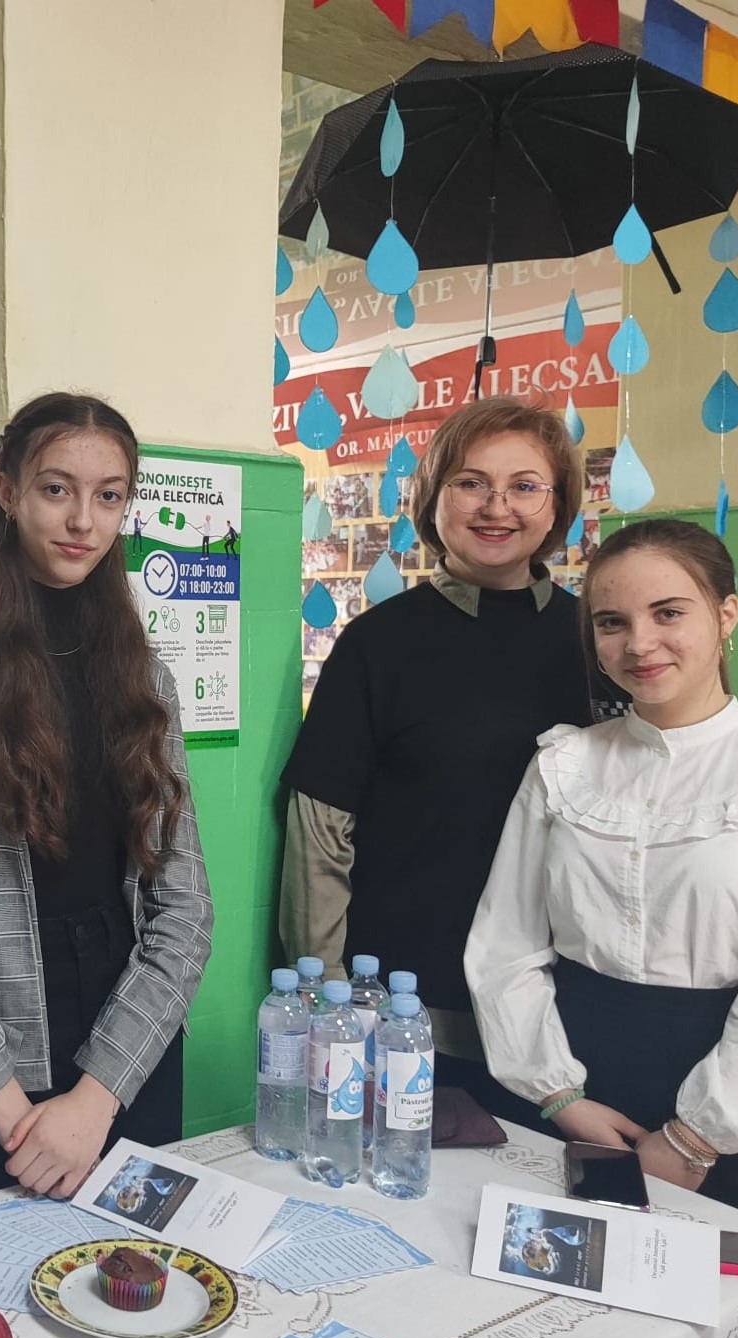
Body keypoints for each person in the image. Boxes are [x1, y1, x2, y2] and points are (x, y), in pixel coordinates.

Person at [465, 519, 738, 1236]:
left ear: (725, 614)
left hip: (724, 1105)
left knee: (716, 1295)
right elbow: (505, 944)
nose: (639, 644)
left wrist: (696, 1137)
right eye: (612, 623)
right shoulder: (561, 767)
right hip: (570, 1085)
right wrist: (558, 1095)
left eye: (668, 613)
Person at [0, 392, 213, 1199]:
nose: (82, 520)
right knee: (18, 1263)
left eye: (108, 495)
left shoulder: (145, 677)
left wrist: (97, 1097)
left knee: (137, 1259)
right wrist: (12, 1108)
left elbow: (185, 910)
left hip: (132, 1023)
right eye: (56, 489)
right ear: (8, 491)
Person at [280, 397, 618, 1126]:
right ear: (433, 498)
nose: (496, 507)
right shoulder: (377, 646)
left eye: (524, 486)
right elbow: (320, 837)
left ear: (557, 506)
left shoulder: (601, 646)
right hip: (408, 1018)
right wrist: (329, 1004)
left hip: (566, 1018)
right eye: (470, 483)